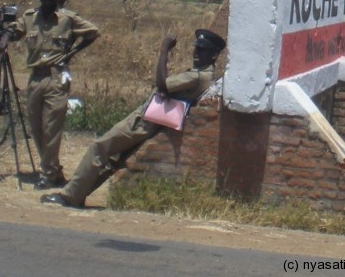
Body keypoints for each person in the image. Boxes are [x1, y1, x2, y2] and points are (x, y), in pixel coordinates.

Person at [40, 29, 226, 208]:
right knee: (111, 160)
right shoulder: (203, 74)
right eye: (196, 48)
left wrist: (164, 50)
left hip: (144, 121)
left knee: (99, 147)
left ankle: (70, 196)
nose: (197, 53)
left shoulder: (198, 76)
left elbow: (162, 83)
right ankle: (76, 195)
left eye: (202, 50)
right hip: (150, 120)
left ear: (214, 55)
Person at [0, 0, 100, 190]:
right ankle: (54, 171)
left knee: (52, 128)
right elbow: (14, 30)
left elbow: (93, 32)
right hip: (35, 78)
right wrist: (5, 38)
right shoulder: (29, 17)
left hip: (56, 78)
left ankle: (47, 175)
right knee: (36, 128)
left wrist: (72, 52)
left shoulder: (68, 19)